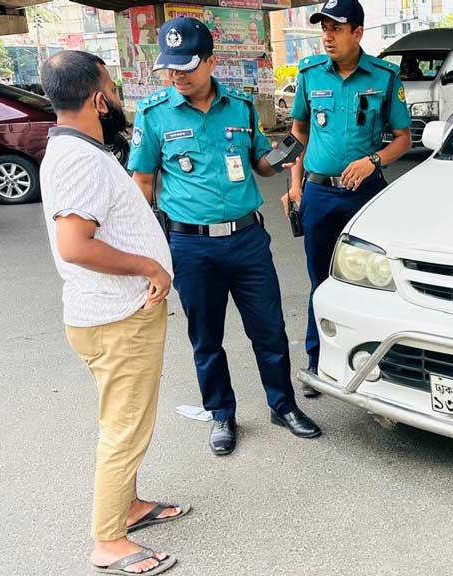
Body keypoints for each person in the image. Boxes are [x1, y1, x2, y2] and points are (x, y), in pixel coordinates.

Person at [129, 17, 321, 456]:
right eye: (171, 68)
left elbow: (261, 165)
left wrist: (291, 150)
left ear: (212, 62)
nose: (178, 76)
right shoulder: (154, 113)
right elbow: (142, 185)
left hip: (247, 240)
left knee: (269, 329)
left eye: (187, 67)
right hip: (191, 246)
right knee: (207, 337)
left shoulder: (241, 107)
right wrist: (148, 256)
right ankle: (221, 414)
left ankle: (283, 404)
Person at [39, 50, 188, 576]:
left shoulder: (75, 149)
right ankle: (108, 541)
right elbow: (76, 245)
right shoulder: (79, 159)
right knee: (124, 428)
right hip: (115, 318)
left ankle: (126, 506)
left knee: (124, 419)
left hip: (111, 314)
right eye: (114, 90)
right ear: (99, 99)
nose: (120, 100)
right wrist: (151, 265)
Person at [283, 0, 411, 397]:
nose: (327, 36)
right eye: (324, 28)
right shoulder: (309, 75)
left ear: (357, 32)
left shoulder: (385, 77)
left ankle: (376, 359)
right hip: (320, 193)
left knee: (374, 280)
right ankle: (317, 359)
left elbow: (404, 139)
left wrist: (374, 161)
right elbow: (299, 132)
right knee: (320, 281)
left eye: (336, 29)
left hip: (366, 195)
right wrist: (294, 182)